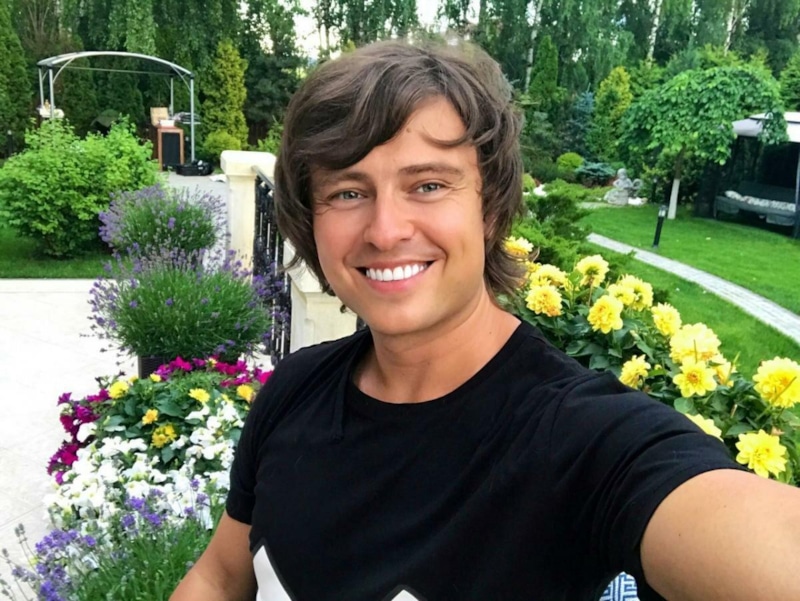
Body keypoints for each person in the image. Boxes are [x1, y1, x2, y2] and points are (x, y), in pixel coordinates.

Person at [171, 39, 800, 601]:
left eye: (428, 185)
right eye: (348, 192)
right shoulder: (293, 391)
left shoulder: (580, 440)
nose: (385, 230)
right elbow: (222, 576)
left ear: (491, 208)